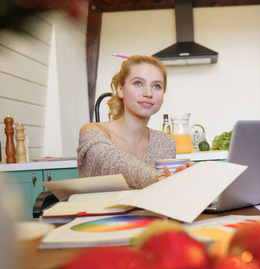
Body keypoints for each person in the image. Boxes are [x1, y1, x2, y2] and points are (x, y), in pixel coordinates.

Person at [77, 55, 194, 189]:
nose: (148, 93)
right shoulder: (93, 131)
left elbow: (162, 196)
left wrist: (177, 183)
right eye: (138, 83)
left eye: (157, 86)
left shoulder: (166, 143)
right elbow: (110, 160)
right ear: (120, 89)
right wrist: (159, 179)